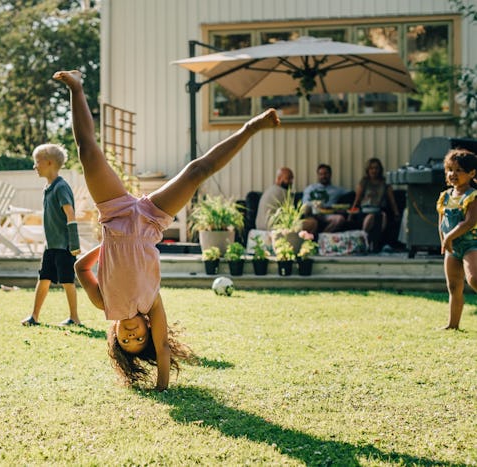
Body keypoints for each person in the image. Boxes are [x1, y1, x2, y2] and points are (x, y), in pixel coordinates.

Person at [54, 69, 280, 390]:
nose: (133, 336)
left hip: (115, 213)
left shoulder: (103, 304)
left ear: (115, 335)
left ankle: (76, 87)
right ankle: (251, 126)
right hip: (150, 220)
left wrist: (107, 247)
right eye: (139, 338)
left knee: (88, 152)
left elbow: (80, 267)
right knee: (197, 170)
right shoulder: (152, 305)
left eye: (126, 340)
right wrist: (162, 388)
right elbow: (162, 347)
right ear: (147, 328)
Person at [21, 144, 82, 327]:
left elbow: (70, 214)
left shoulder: (61, 187)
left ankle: (74, 318)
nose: (34, 166)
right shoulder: (48, 188)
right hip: (51, 246)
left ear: (48, 163)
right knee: (43, 278)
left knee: (67, 281)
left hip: (64, 246)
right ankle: (34, 316)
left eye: (37, 162)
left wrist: (74, 243)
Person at [436, 148, 477, 330]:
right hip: (452, 247)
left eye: (459, 170)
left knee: (474, 279)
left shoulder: (472, 196)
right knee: (453, 286)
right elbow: (441, 222)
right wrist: (443, 240)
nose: (453, 174)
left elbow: (469, 222)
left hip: (471, 244)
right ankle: (453, 325)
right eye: (449, 169)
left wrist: (449, 238)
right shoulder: (445, 196)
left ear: (472, 173)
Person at [350, 157, 400, 251]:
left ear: (380, 170)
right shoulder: (364, 182)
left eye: (376, 168)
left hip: (380, 209)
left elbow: (392, 200)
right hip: (365, 211)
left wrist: (396, 213)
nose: (374, 170)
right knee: (371, 217)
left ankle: (374, 243)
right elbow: (357, 199)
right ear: (368, 170)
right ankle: (364, 238)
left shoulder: (385, 183)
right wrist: (351, 214)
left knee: (382, 216)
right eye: (371, 168)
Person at [256, 167, 317, 233]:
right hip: (273, 227)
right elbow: (294, 215)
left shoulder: (269, 190)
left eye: (292, 179)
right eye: (288, 178)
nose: (291, 182)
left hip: (260, 227)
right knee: (313, 222)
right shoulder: (283, 192)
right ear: (279, 179)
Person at [302, 163, 350, 233]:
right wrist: (316, 205)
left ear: (330, 175)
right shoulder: (310, 188)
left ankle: (323, 237)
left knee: (340, 219)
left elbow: (353, 193)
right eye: (321, 174)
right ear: (318, 175)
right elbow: (305, 203)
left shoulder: (337, 190)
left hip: (327, 215)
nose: (323, 176)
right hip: (313, 214)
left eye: (326, 173)